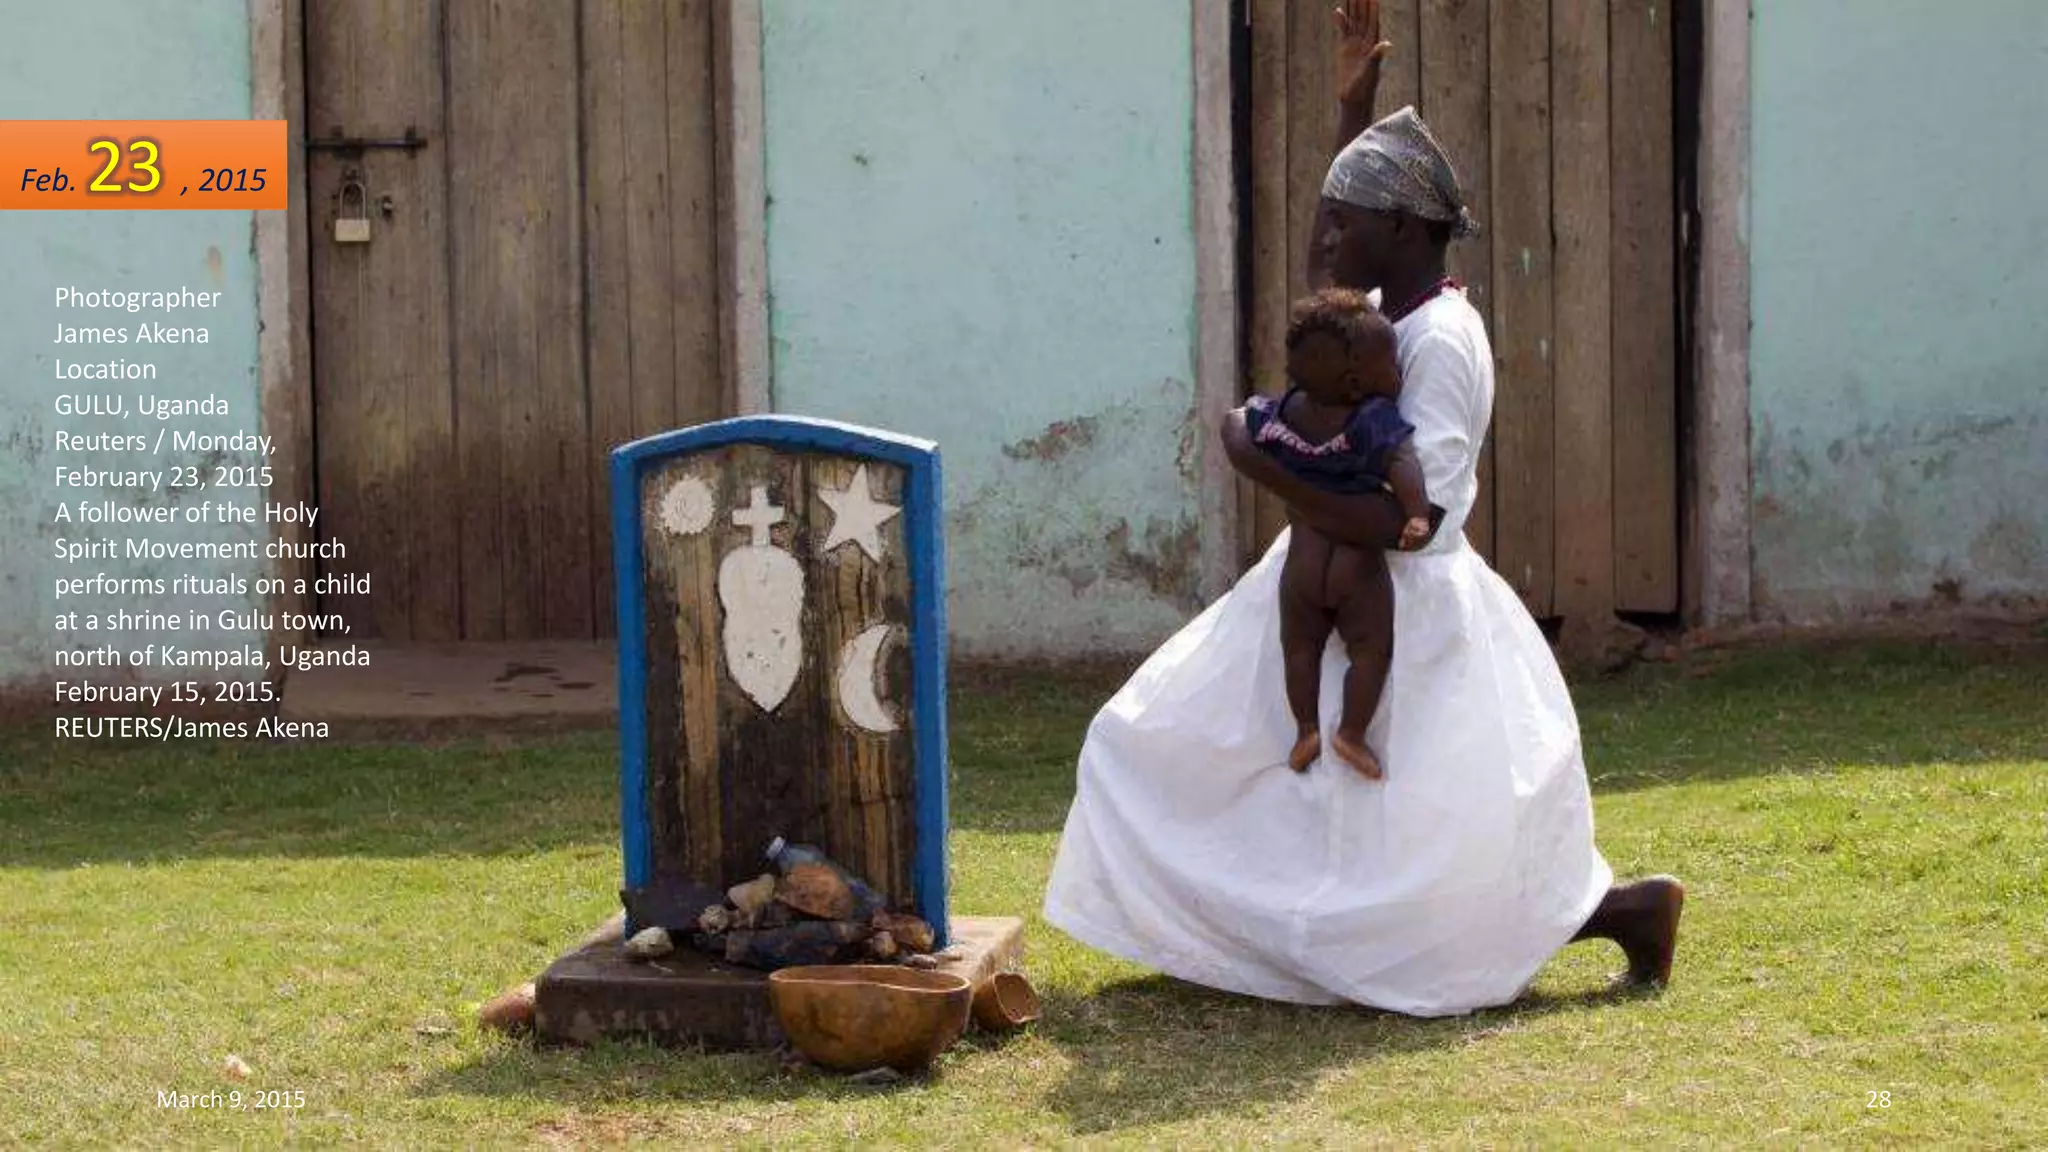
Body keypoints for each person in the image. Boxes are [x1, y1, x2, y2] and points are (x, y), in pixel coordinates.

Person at [1043, 0, 1682, 1016]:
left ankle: (1621, 911)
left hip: (1403, 605)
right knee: (1166, 747)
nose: (1327, 233)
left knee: (1425, 842)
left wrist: (1259, 461)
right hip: (1320, 583)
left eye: (1347, 217)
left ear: (1399, 228)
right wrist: (1352, 109)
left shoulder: (1440, 345)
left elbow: (1405, 519)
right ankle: (1247, 944)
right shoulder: (1385, 317)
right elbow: (1317, 285)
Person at [1247, 288, 1434, 778]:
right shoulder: (1373, 418)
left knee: (1300, 647)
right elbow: (1403, 463)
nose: (1397, 376)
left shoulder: (1285, 412)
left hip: (1303, 564)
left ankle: (1305, 728)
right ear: (1357, 382)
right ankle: (1351, 732)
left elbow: (1243, 426)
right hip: (1354, 562)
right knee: (1370, 650)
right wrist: (1415, 513)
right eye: (1392, 369)